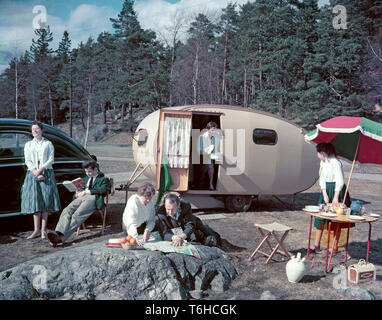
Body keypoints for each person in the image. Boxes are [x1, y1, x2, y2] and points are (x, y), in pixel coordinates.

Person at [47, 160, 110, 247]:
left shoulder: (103, 179)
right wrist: (76, 193)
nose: (88, 173)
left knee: (77, 215)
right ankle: (58, 232)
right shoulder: (84, 179)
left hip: (93, 198)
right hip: (81, 198)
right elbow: (77, 193)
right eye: (86, 171)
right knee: (67, 210)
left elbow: (104, 190)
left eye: (90, 171)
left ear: (96, 169)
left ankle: (60, 238)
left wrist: (87, 192)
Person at [21, 121, 61, 240]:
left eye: (37, 129)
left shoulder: (48, 143)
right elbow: (28, 160)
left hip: (46, 173)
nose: (35, 131)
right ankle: (36, 230)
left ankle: (43, 230)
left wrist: (41, 170)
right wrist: (35, 172)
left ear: (42, 130)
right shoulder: (28, 144)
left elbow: (51, 159)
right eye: (33, 129)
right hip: (32, 174)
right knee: (36, 202)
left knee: (45, 202)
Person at [310, 142, 352, 253]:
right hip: (327, 189)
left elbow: (340, 180)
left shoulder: (336, 163)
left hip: (337, 190)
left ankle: (334, 246)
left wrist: (335, 197)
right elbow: (322, 178)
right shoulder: (323, 162)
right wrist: (324, 192)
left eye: (318, 153)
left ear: (323, 152)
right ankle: (316, 244)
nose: (317, 155)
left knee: (335, 219)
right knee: (320, 216)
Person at [156, 193, 221, 247]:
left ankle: (212, 236)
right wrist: (174, 237)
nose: (170, 212)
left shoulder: (185, 205)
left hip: (190, 223)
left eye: (172, 209)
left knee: (207, 233)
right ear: (165, 205)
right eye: (168, 209)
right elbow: (164, 233)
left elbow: (190, 224)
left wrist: (182, 237)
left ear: (178, 205)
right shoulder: (160, 213)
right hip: (175, 229)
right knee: (193, 239)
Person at [122, 182, 156, 246]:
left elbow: (152, 219)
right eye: (146, 198)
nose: (148, 200)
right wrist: (135, 237)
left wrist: (147, 230)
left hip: (141, 225)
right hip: (129, 227)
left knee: (144, 244)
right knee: (132, 245)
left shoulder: (150, 203)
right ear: (140, 195)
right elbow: (131, 222)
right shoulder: (133, 201)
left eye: (150, 198)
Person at [199, 121, 223, 190]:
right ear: (208, 129)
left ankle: (211, 184)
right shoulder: (202, 137)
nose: (214, 131)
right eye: (212, 130)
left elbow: (216, 148)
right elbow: (199, 150)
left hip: (211, 156)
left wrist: (217, 155)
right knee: (206, 168)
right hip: (202, 156)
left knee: (212, 165)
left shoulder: (215, 138)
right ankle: (206, 184)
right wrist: (205, 150)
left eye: (215, 130)